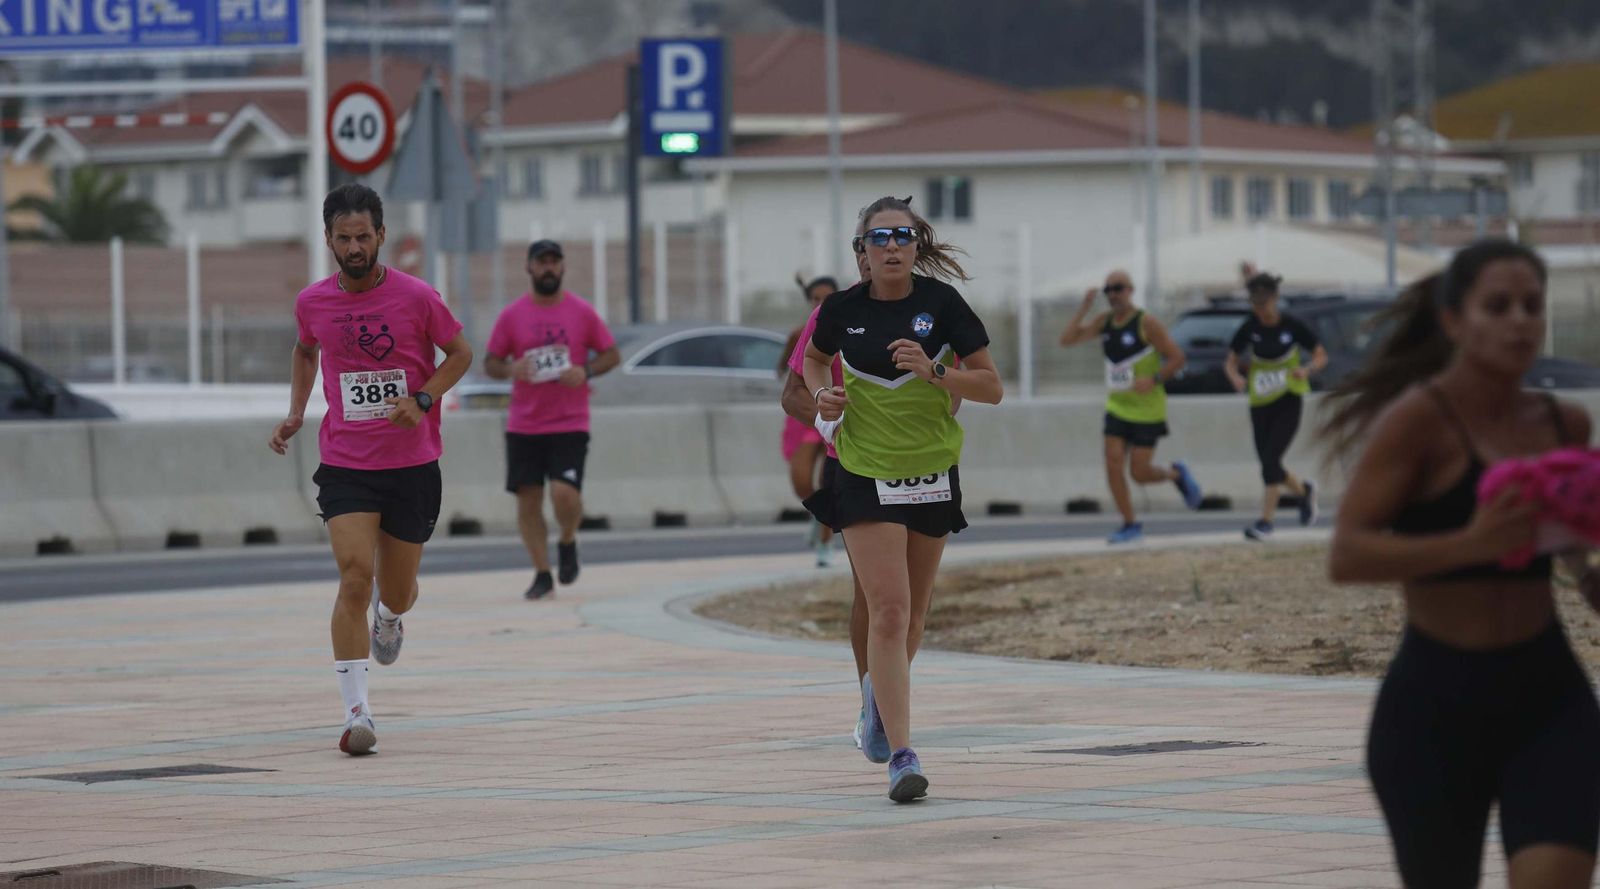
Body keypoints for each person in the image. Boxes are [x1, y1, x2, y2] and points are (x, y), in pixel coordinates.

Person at [1325, 239, 1599, 888]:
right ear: (1453, 320)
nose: (1519, 322)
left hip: (1548, 693)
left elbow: (1557, 534)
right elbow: (1349, 552)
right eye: (1497, 305)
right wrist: (1471, 544)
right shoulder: (1417, 422)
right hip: (1433, 707)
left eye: (1532, 306)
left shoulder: (1566, 423)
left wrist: (1586, 571)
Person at [802, 195, 1003, 802]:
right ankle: (903, 753)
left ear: (918, 246)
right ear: (861, 250)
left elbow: (991, 387)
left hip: (932, 470)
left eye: (903, 236)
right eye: (879, 237)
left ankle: (874, 706)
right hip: (863, 471)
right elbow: (813, 362)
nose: (892, 246)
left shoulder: (943, 306)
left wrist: (935, 372)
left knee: (913, 614)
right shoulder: (839, 310)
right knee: (887, 609)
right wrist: (823, 402)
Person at [269, 184, 472, 755]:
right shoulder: (312, 302)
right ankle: (358, 713)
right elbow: (306, 350)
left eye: (363, 236)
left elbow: (461, 354)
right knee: (354, 575)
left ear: (381, 235)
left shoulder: (417, 297)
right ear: (328, 239)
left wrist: (424, 400)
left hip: (411, 462)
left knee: (398, 590)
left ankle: (390, 615)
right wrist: (294, 413)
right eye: (343, 237)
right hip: (346, 461)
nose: (354, 247)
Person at [485, 240, 621, 600]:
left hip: (569, 421)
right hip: (524, 424)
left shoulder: (581, 312)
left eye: (554, 263)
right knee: (528, 500)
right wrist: (512, 368)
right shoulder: (512, 316)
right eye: (541, 263)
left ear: (562, 268)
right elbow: (491, 362)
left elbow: (611, 354)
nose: (548, 269)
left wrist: (586, 370)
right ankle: (542, 572)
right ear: (529, 268)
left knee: (564, 493)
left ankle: (567, 538)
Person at [1058, 270, 1203, 543]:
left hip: (1147, 409)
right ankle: (1130, 524)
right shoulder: (1104, 322)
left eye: (1118, 288)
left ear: (1131, 290)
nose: (1113, 294)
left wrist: (1156, 378)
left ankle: (1175, 473)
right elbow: (1066, 340)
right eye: (1108, 290)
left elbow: (1177, 358)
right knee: (1112, 464)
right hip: (1117, 406)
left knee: (1139, 472)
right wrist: (1085, 308)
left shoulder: (1146, 323)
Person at [1223, 272, 1328, 540]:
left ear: (1275, 299)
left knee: (1270, 461)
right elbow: (1230, 361)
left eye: (1265, 303)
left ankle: (1265, 522)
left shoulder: (1292, 325)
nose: (1261, 310)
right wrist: (1235, 377)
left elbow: (1320, 354)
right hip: (1260, 401)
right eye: (1255, 304)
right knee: (1268, 464)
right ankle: (1304, 492)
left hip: (1288, 399)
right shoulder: (1250, 327)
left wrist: (1308, 370)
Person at [780, 274, 839, 567]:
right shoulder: (800, 333)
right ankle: (819, 516)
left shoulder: (851, 330)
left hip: (836, 413)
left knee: (827, 480)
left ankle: (825, 546)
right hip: (806, 414)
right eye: (816, 299)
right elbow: (784, 371)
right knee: (801, 480)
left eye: (827, 299)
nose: (821, 304)